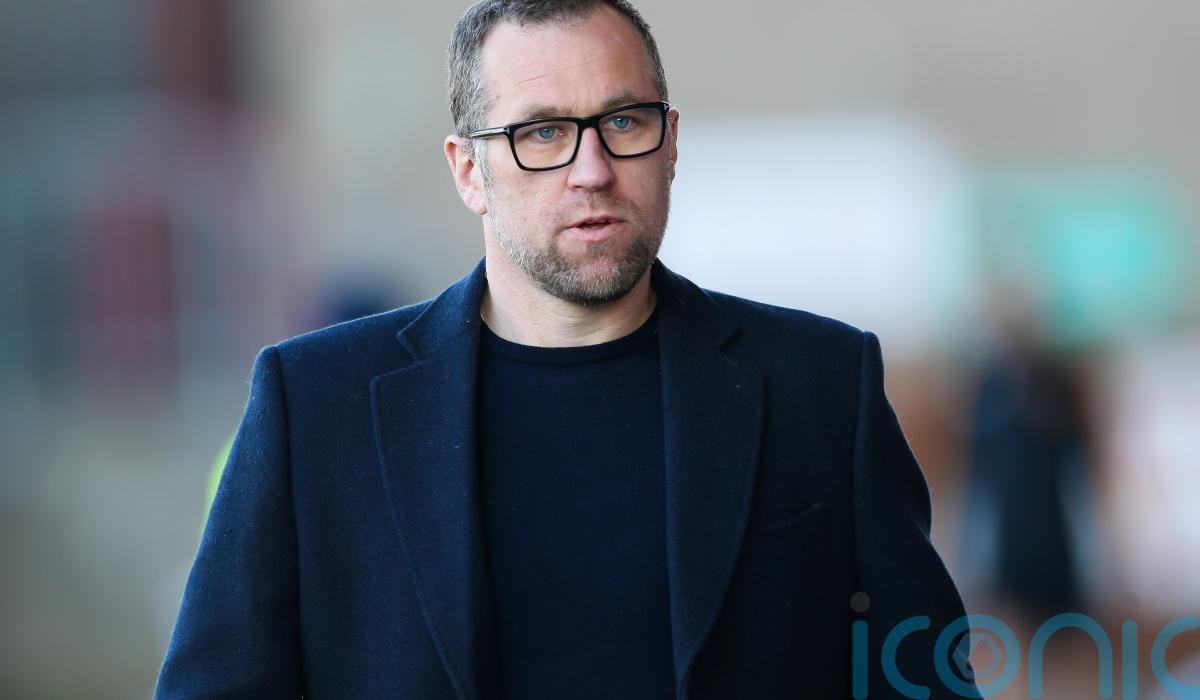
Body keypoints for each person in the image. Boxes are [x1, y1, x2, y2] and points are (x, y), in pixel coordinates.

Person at [156, 1, 978, 698]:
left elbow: (925, 681)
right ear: (468, 171)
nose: (592, 169)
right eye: (543, 133)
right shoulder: (315, 404)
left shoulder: (820, 385)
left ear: (670, 142)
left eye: (623, 122)